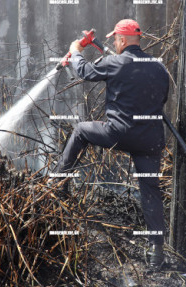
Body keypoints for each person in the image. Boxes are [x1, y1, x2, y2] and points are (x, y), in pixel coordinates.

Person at [51, 19, 169, 267]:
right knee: (150, 191)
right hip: (150, 139)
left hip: (119, 133)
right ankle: (156, 253)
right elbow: (163, 97)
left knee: (81, 130)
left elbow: (84, 72)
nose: (114, 43)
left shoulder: (115, 62)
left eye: (116, 39)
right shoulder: (158, 67)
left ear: (123, 40)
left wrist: (74, 50)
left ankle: (58, 183)